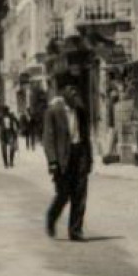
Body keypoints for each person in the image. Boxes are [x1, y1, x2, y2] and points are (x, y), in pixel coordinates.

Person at [43, 85, 92, 241]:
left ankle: (75, 230)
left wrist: (89, 158)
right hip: (63, 157)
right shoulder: (53, 112)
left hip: (80, 154)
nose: (75, 95)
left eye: (76, 92)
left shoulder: (81, 111)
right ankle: (51, 217)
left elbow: (86, 136)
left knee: (80, 194)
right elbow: (48, 139)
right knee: (63, 194)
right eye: (71, 92)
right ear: (64, 95)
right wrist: (52, 161)